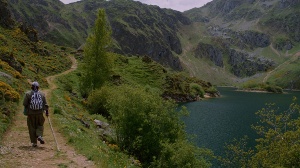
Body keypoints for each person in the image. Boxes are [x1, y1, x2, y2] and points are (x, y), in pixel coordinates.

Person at [23, 81, 49, 147]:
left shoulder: (28, 94)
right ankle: (39, 135)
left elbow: (24, 103)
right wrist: (47, 112)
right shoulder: (42, 94)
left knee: (31, 127)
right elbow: (45, 105)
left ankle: (34, 143)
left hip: (31, 113)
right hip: (40, 113)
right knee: (40, 125)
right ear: (38, 87)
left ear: (31, 87)